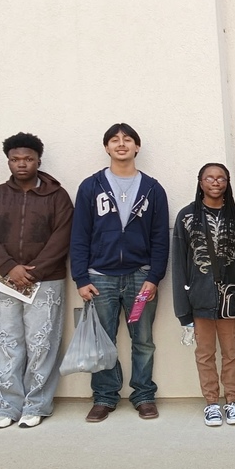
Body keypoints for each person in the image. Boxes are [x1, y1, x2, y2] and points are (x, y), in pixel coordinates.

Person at [70, 123, 169, 423]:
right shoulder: (91, 186)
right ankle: (104, 396)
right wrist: (81, 278)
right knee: (104, 340)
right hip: (100, 278)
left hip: (141, 277)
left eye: (128, 140)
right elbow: (79, 235)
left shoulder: (152, 188)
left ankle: (143, 395)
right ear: (107, 147)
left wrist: (154, 277)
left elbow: (160, 238)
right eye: (115, 140)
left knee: (143, 340)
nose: (121, 144)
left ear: (137, 147)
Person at [0, 132, 73, 429]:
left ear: (38, 160)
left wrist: (33, 271)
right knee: (6, 342)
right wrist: (9, 268)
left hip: (46, 281)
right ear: (8, 161)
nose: (21, 164)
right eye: (15, 159)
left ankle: (37, 404)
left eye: (28, 159)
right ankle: (6, 406)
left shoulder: (57, 196)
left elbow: (62, 237)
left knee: (42, 342)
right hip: (5, 280)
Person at [172, 163, 235, 426]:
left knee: (232, 353)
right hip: (200, 299)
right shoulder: (186, 217)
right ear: (200, 182)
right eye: (209, 177)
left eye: (221, 178)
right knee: (205, 354)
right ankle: (211, 402)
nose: (215, 182)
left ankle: (231, 401)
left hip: (231, 300)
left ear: (228, 182)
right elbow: (179, 264)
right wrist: (182, 308)